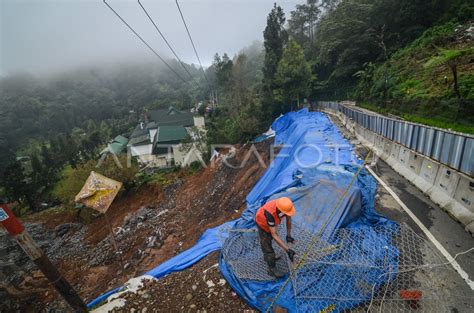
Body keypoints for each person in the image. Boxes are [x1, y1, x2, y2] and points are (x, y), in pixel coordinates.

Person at [255, 197, 296, 278]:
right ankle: (271, 269)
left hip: (271, 223)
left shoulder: (285, 207)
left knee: (271, 238)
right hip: (262, 223)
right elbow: (274, 234)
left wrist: (288, 235)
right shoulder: (270, 214)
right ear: (281, 210)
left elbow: (288, 221)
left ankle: (271, 257)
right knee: (266, 245)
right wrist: (287, 250)